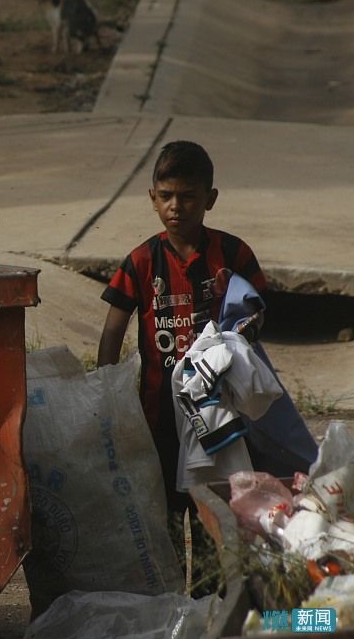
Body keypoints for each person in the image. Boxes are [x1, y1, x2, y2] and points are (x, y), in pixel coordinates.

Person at [97, 140, 266, 513]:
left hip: (222, 412)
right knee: (166, 516)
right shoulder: (141, 261)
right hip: (159, 417)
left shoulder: (234, 253)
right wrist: (109, 396)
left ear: (211, 198)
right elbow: (112, 332)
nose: (176, 206)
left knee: (218, 515)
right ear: (153, 199)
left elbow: (260, 310)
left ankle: (210, 574)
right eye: (166, 196)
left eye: (188, 196)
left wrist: (241, 336)